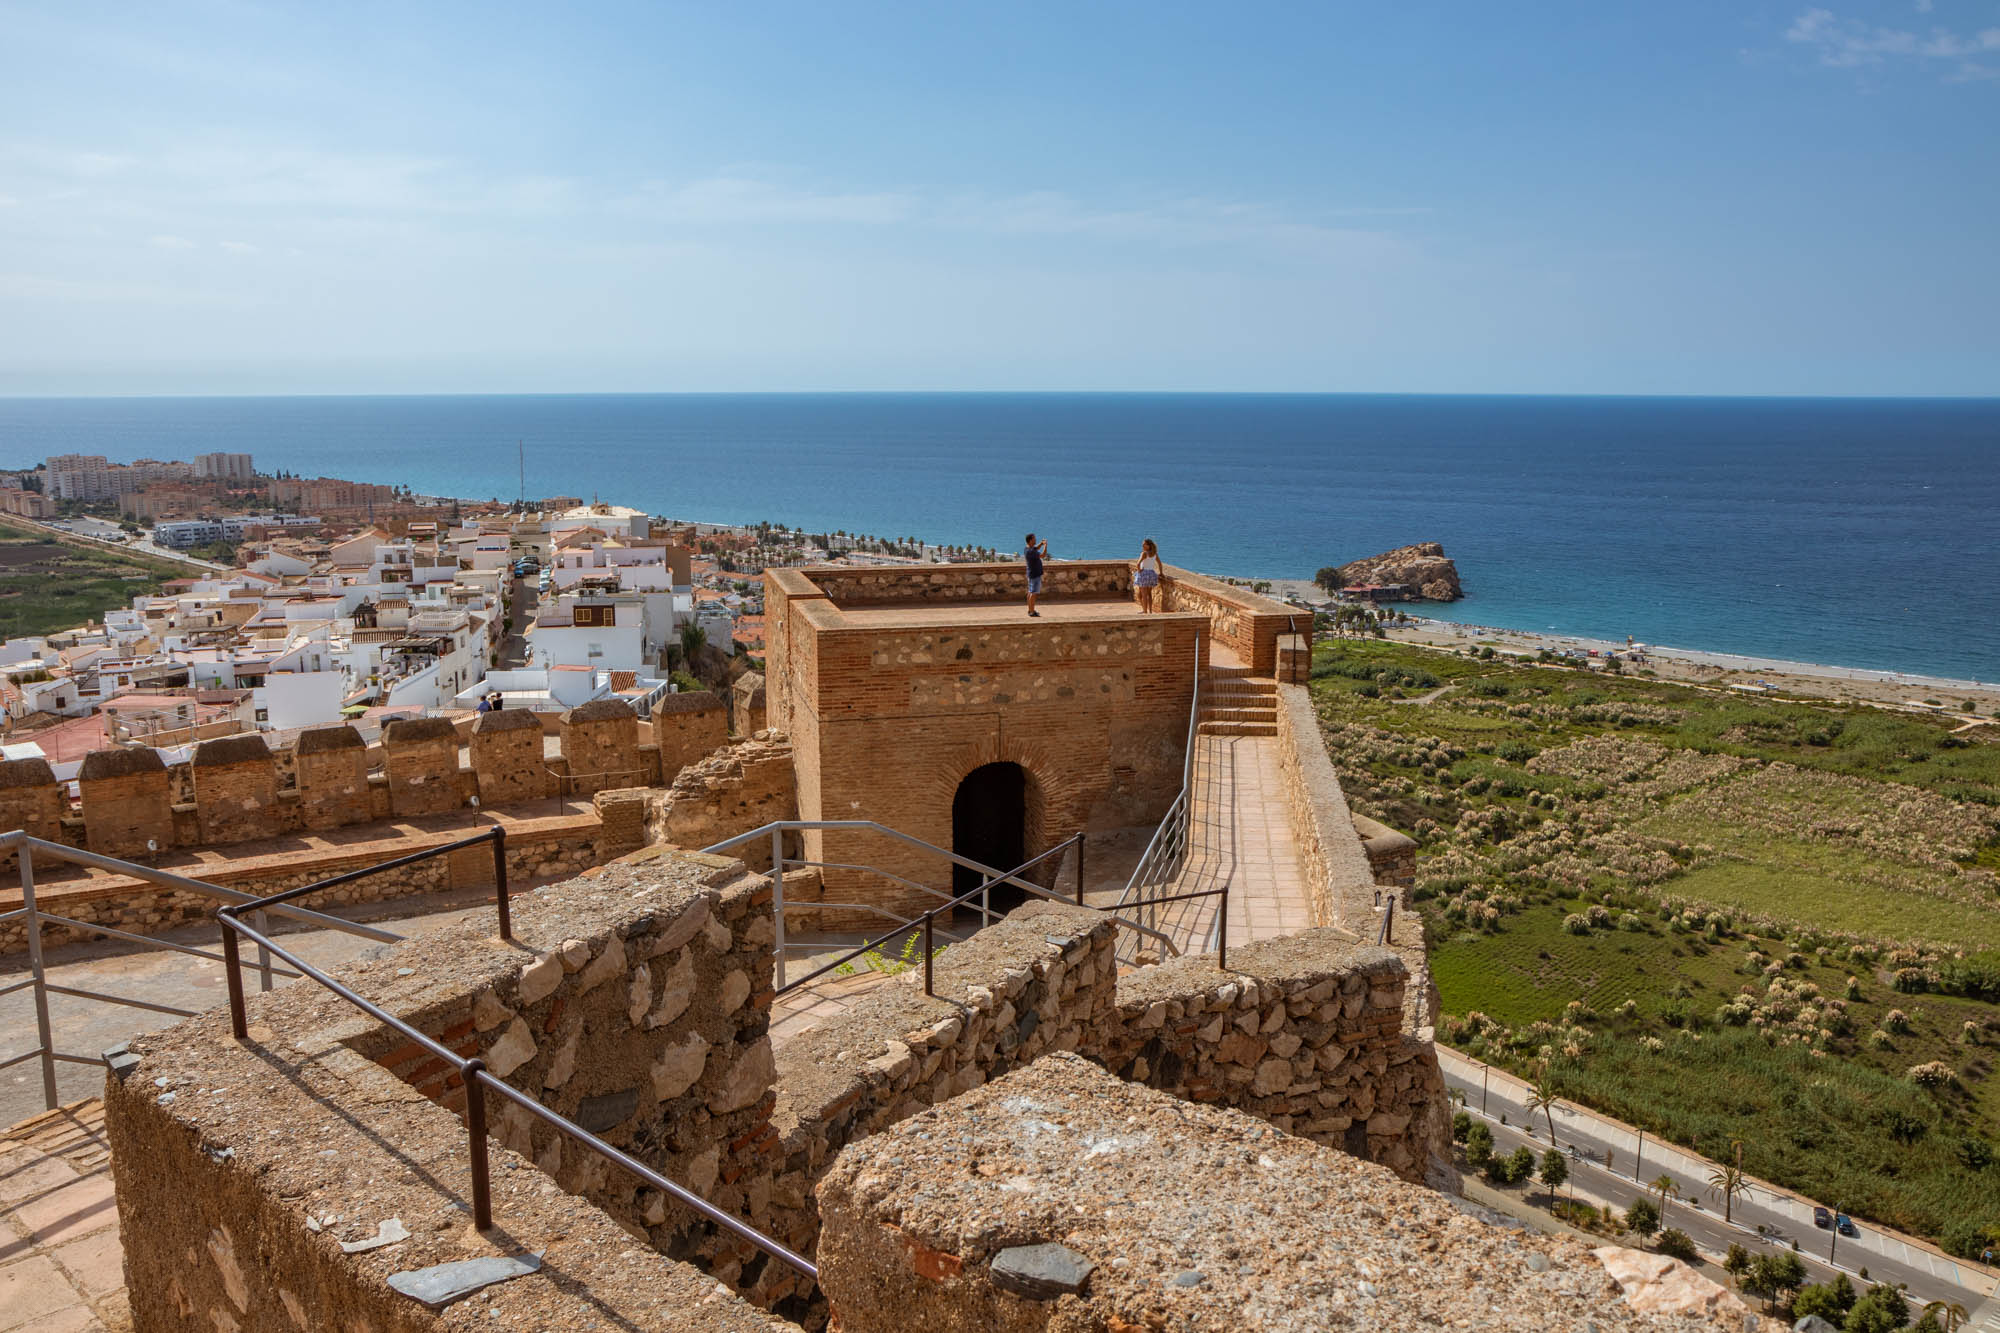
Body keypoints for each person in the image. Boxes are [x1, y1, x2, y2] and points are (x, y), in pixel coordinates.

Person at [1023, 533, 1049, 617]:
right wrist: (1045, 545)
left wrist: (1041, 544)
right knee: (1033, 593)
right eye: (1034, 539)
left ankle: (1030, 610)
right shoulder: (1031, 551)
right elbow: (1043, 555)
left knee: (1030, 592)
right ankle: (1032, 612)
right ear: (1030, 540)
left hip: (1031, 574)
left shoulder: (1027, 548)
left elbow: (1036, 548)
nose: (1035, 540)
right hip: (1035, 575)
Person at [1134, 538, 1163, 613]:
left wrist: (1139, 571)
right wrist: (1161, 573)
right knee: (1149, 594)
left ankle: (1144, 611)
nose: (1142, 545)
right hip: (1151, 574)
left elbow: (1138, 564)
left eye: (1144, 544)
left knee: (1143, 595)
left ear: (1148, 545)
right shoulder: (1154, 554)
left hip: (1144, 574)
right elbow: (1160, 563)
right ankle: (1150, 611)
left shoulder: (1144, 553)